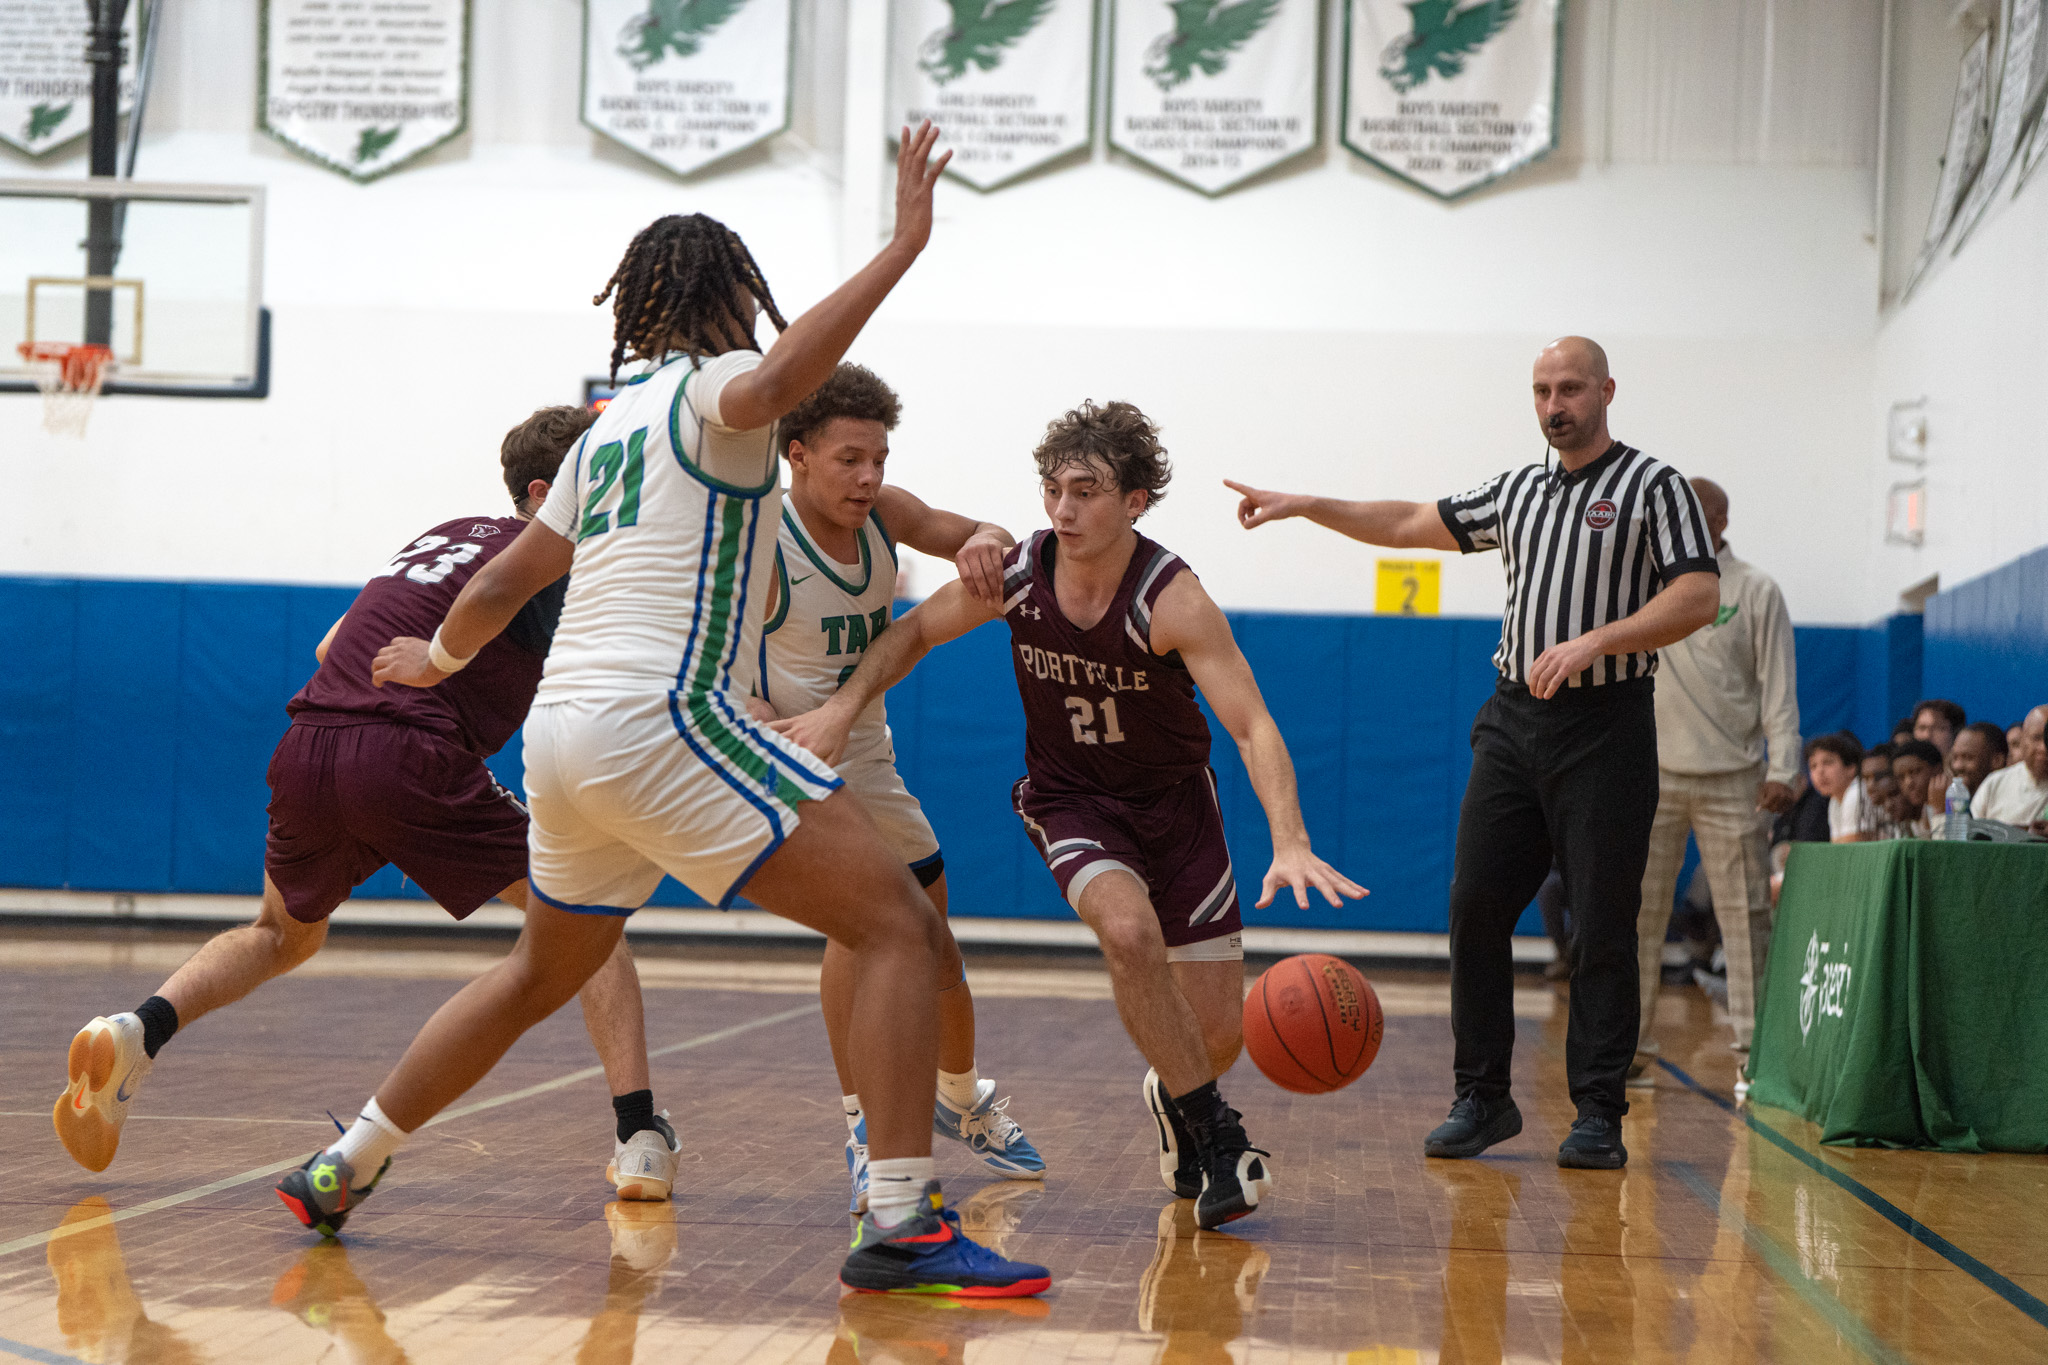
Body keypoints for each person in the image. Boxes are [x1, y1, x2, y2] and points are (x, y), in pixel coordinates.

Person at [302, 125, 1051, 1298]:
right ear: (732, 297)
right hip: (661, 719)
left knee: (538, 974)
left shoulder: (603, 426)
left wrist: (441, 659)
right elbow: (778, 377)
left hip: (560, 738)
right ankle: (902, 1219)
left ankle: (348, 1160)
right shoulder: (715, 397)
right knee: (901, 930)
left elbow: (503, 581)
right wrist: (903, 245)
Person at [54, 407, 675, 1202]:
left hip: (309, 740)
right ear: (546, 491)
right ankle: (638, 1135)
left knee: (281, 932)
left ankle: (137, 1029)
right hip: (404, 750)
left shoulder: (445, 533)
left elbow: (328, 646)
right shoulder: (547, 556)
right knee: (588, 923)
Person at [775, 398, 1364, 1230]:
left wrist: (1291, 838)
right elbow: (910, 636)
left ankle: (1181, 1093)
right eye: (1053, 488)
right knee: (1128, 935)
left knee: (1212, 1039)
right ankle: (1218, 1136)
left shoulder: (1173, 597)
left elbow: (1252, 723)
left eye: (1085, 490)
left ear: (1134, 502)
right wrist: (842, 709)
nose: (1062, 508)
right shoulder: (1020, 573)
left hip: (1177, 809)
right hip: (1072, 800)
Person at [1225, 336, 1720, 1171]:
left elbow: (1698, 593)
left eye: (1568, 388)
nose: (1553, 404)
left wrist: (1597, 641)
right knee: (1477, 906)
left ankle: (1598, 1110)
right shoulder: (1519, 489)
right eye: (1540, 390)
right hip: (1513, 721)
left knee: (1603, 923)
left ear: (1605, 391)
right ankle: (1483, 1095)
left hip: (1607, 725)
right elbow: (1411, 523)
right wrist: (1311, 504)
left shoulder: (1654, 486)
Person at [748, 362, 1045, 1209]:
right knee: (871, 929)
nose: (868, 474)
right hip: (792, 755)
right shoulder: (760, 538)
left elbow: (984, 531)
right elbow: (696, 646)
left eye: (878, 455)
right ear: (796, 454)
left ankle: (960, 1099)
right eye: (849, 458)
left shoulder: (888, 512)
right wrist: (747, 705)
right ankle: (863, 1127)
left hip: (865, 747)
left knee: (936, 947)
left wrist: (985, 538)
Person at [1627, 477, 1800, 1075]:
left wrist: (1785, 765)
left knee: (1746, 917)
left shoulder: (1755, 588)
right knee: (1637, 916)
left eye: (1697, 515)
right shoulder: (1645, 585)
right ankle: (1628, 1047)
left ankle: (1756, 1051)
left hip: (1734, 776)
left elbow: (1778, 683)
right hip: (1652, 776)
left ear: (1720, 521)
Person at [1974, 705, 2048, 827]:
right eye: (2037, 738)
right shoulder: (1995, 783)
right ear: (2023, 740)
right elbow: (1971, 836)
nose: (2043, 748)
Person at [1805, 733, 1872, 842]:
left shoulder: (1856, 793)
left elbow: (1849, 851)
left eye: (1828, 762)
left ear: (1851, 768)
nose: (1820, 771)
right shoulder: (1835, 800)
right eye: (1813, 766)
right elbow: (1837, 850)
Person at [1887, 738, 1944, 836]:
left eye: (1915, 772)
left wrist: (1940, 811)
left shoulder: (1956, 800)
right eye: (1901, 777)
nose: (1909, 783)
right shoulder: (1923, 810)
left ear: (1937, 769)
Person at [1948, 722, 2007, 806]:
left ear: (1997, 761)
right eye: (1955, 757)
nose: (1958, 766)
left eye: (1968, 758)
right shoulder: (1945, 799)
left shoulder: (2011, 802)